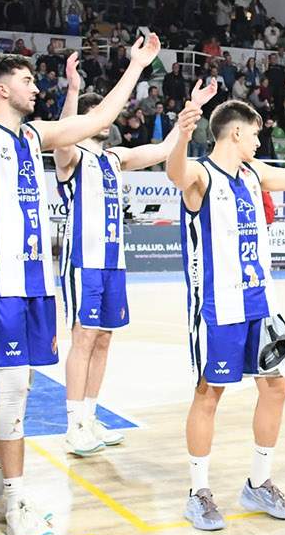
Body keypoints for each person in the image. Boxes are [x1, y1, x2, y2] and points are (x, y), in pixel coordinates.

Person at [0, 0, 158, 535]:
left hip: (37, 282)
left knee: (20, 388)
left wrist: (136, 67)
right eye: (29, 82)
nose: (38, 88)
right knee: (14, 391)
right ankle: (16, 501)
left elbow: (102, 118)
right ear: (4, 89)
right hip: (0, 284)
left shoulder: (35, 136)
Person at [166, 91, 285, 531]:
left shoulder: (253, 173)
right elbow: (175, 171)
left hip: (261, 303)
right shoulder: (202, 175)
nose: (261, 142)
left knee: (276, 387)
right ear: (236, 132)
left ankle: (258, 483)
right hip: (218, 307)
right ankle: (198, 491)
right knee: (210, 393)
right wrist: (183, 133)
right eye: (256, 134)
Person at [54, 60, 195, 456]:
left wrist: (187, 117)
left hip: (114, 262)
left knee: (103, 339)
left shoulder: (114, 157)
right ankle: (73, 423)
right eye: (93, 113)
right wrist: (71, 91)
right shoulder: (72, 157)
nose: (103, 118)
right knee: (83, 337)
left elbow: (163, 150)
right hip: (85, 258)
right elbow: (63, 139)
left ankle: (90, 414)